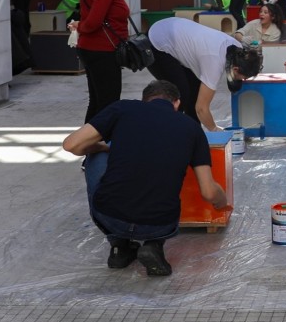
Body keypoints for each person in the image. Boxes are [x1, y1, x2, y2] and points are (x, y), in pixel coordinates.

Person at [62, 80, 228, 276]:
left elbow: (71, 145)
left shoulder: (123, 109)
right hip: (160, 224)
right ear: (177, 104)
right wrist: (222, 202)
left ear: (144, 101)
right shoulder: (191, 128)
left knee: (95, 154)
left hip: (110, 216)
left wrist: (103, 147)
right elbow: (209, 191)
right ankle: (153, 245)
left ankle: (119, 245)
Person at [146, 17, 263, 131]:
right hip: (157, 42)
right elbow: (201, 108)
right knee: (181, 93)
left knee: (195, 90)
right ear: (236, 69)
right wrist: (214, 129)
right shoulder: (214, 62)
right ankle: (167, 130)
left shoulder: (238, 50)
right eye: (243, 77)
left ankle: (192, 132)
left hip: (174, 29)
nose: (242, 80)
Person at [67, 0, 131, 123]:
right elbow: (95, 20)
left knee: (98, 102)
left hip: (93, 48)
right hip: (102, 49)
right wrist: (83, 25)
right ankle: (99, 145)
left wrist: (82, 25)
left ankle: (89, 146)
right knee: (108, 104)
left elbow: (91, 16)